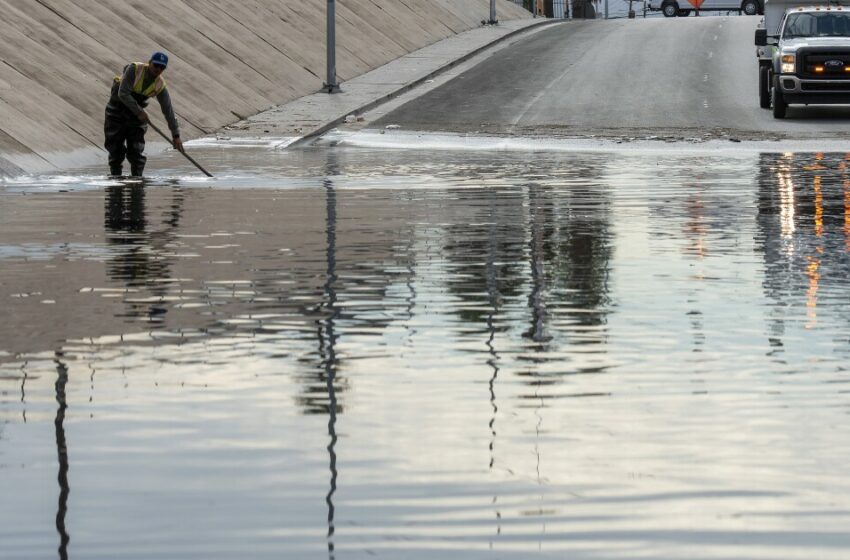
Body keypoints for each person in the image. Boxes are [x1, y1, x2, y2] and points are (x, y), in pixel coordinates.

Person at [104, 52, 183, 177]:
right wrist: (140, 111)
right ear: (149, 62)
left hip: (136, 118)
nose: (158, 69)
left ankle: (137, 181)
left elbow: (168, 111)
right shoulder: (134, 69)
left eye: (162, 67)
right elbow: (123, 94)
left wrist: (176, 135)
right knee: (116, 150)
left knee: (136, 151)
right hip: (116, 111)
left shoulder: (160, 85)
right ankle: (115, 180)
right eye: (156, 65)